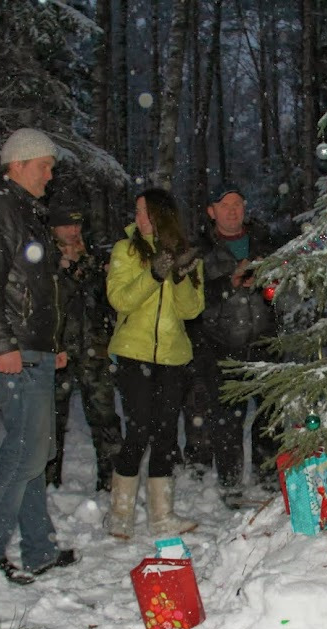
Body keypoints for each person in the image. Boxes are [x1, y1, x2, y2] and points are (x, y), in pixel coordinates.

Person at [0, 127, 76, 584]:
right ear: (18, 164)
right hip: (13, 351)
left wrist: (51, 347)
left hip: (35, 350)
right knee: (26, 454)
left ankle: (39, 549)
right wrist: (2, 343)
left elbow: (39, 289)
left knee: (35, 451)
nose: (50, 175)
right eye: (43, 166)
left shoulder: (26, 212)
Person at [106, 188, 204, 538]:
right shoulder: (126, 250)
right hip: (134, 353)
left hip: (173, 357)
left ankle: (162, 516)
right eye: (137, 211)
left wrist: (179, 278)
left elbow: (192, 310)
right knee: (139, 431)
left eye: (144, 212)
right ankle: (120, 514)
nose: (138, 218)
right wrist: (153, 274)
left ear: (162, 215)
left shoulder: (187, 254)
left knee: (165, 434)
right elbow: (120, 299)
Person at [188, 183, 279, 507]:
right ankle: (230, 486)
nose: (232, 210)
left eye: (237, 204)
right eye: (225, 205)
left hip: (265, 342)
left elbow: (284, 285)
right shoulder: (199, 249)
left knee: (270, 416)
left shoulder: (264, 241)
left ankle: (269, 480)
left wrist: (268, 281)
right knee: (227, 420)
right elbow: (191, 299)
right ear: (211, 211)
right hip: (220, 346)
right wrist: (229, 282)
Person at [45, 198, 122, 491]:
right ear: (53, 228)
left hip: (94, 348)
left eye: (76, 224)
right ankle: (49, 481)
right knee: (51, 420)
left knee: (105, 417)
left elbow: (110, 301)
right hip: (57, 350)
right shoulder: (43, 261)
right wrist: (63, 270)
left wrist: (95, 269)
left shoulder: (95, 259)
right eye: (66, 224)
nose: (73, 230)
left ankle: (112, 481)